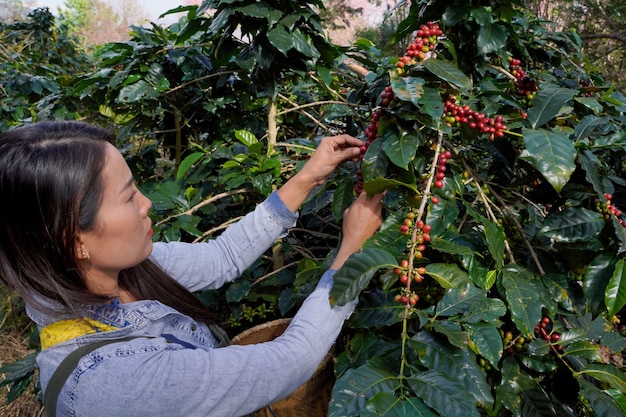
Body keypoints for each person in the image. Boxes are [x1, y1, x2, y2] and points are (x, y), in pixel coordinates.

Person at [0, 120, 384, 417]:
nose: (147, 203)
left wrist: (307, 178)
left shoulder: (118, 270)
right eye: (129, 195)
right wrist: (351, 251)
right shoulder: (112, 381)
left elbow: (222, 257)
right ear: (75, 240)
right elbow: (293, 359)